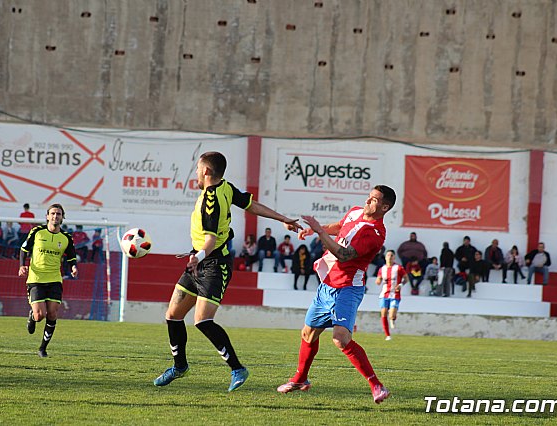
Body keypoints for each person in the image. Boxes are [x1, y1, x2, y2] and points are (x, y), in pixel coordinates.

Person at [153, 152, 300, 392]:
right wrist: (283, 218)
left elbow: (210, 240)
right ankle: (179, 367)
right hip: (198, 261)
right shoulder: (226, 187)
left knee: (202, 320)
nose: (196, 173)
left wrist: (196, 257)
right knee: (173, 315)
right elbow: (251, 204)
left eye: (198, 169)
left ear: (207, 171)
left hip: (214, 264)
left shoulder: (211, 198)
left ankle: (237, 368)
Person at [277, 185, 396, 405]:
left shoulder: (375, 234)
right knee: (308, 333)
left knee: (340, 339)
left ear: (385, 207)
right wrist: (316, 229)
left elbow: (343, 255)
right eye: (369, 197)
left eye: (374, 200)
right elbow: (341, 226)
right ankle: (300, 378)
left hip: (347, 288)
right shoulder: (355, 211)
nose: (368, 201)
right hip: (326, 285)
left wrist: (319, 232)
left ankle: (376, 385)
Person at [19, 203, 78, 358]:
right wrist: (21, 266)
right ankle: (32, 315)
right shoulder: (37, 232)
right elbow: (24, 249)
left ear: (62, 218)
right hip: (36, 278)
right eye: (52, 213)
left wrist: (73, 267)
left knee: (52, 313)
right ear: (47, 216)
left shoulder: (66, 238)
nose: (55, 216)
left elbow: (71, 257)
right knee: (40, 316)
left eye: (58, 214)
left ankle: (42, 348)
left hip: (54, 279)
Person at [375, 250, 406, 340]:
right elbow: (378, 280)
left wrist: (401, 284)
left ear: (394, 257)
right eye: (388, 255)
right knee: (383, 313)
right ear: (385, 257)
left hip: (395, 294)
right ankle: (387, 335)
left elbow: (406, 278)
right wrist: (378, 281)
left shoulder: (398, 268)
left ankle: (393, 319)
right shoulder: (382, 269)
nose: (389, 257)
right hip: (384, 294)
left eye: (391, 255)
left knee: (391, 315)